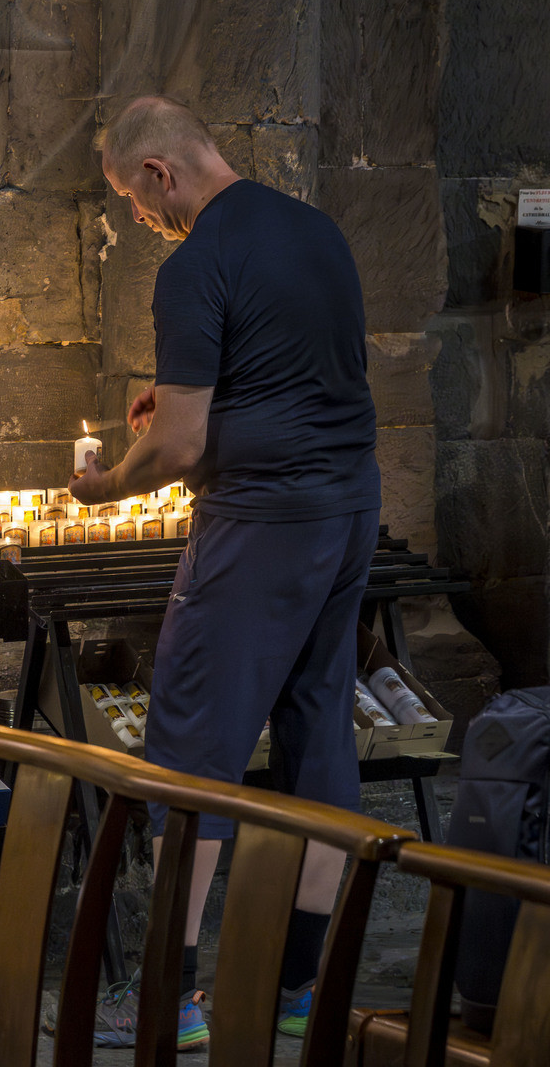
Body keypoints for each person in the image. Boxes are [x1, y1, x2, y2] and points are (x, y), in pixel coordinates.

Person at [69, 95, 380, 1051]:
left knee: (190, 751)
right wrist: (186, 400)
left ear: (161, 172)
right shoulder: (315, 229)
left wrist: (107, 484)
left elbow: (181, 448)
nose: (136, 217)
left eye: (131, 197)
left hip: (261, 527)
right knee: (319, 733)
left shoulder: (195, 262)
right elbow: (301, 367)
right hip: (348, 506)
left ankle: (172, 994)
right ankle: (296, 986)